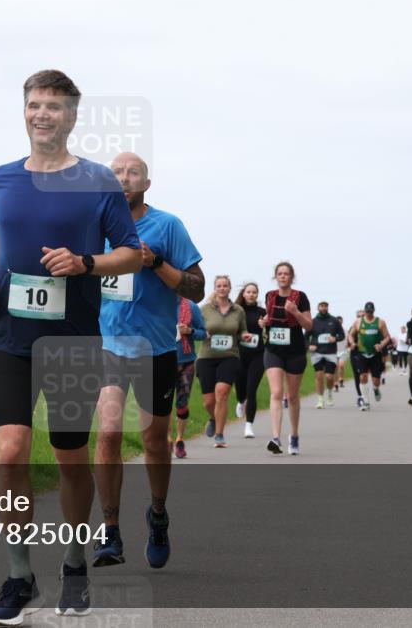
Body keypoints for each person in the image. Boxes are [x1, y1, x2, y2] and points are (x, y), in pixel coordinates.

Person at [0, 70, 143, 625]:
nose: (41, 114)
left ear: (71, 116)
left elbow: (132, 253)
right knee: (10, 450)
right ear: (23, 111)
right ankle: (19, 577)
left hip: (71, 340)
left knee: (70, 459)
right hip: (8, 335)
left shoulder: (97, 182)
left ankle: (73, 565)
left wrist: (84, 263)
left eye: (52, 106)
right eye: (33, 105)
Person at [93, 152, 205, 571]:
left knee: (155, 441)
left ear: (147, 182)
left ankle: (158, 514)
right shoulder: (96, 225)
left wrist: (155, 263)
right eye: (116, 172)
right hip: (107, 347)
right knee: (107, 434)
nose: (124, 177)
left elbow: (196, 289)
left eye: (133, 172)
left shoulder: (167, 225)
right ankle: (110, 531)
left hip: (155, 349)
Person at [258, 262, 313, 455]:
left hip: (295, 351)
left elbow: (309, 326)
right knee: (276, 392)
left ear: (291, 277)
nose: (283, 276)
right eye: (279, 274)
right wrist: (263, 322)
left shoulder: (300, 297)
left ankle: (294, 435)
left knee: (293, 396)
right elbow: (269, 320)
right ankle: (275, 438)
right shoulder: (270, 296)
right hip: (273, 350)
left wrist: (295, 312)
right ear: (275, 277)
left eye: (286, 274)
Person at [196, 275, 253, 448]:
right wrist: (200, 332)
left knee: (222, 392)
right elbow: (198, 330)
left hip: (229, 356)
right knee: (208, 401)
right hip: (206, 357)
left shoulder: (238, 310)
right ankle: (213, 418)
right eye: (219, 286)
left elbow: (242, 330)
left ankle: (220, 435)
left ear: (229, 288)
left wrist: (245, 336)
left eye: (225, 285)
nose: (222, 288)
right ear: (215, 288)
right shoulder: (204, 309)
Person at [171, 296, 207, 458]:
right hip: (162, 360)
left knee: (182, 404)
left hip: (186, 362)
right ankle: (166, 439)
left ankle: (179, 439)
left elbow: (204, 333)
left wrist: (190, 331)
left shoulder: (190, 306)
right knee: (161, 406)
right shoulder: (156, 303)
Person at [234, 282, 267, 439]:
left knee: (252, 389)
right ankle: (240, 401)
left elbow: (270, 330)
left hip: (258, 354)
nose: (252, 294)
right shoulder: (236, 310)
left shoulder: (262, 312)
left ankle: (249, 426)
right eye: (249, 292)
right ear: (244, 293)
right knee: (241, 388)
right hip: (239, 354)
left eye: (254, 292)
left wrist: (264, 325)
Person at [346, 301, 392, 411]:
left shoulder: (380, 322)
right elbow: (350, 335)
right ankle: (366, 402)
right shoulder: (358, 322)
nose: (369, 314)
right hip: (362, 353)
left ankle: (376, 389)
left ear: (373, 311)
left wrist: (381, 345)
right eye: (367, 312)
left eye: (370, 312)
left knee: (376, 380)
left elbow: (387, 337)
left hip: (375, 354)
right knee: (362, 376)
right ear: (365, 311)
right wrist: (352, 343)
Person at [307, 301, 345, 408]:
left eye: (325, 306)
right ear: (318, 308)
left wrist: (335, 338)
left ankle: (329, 393)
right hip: (317, 353)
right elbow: (305, 337)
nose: (323, 308)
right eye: (321, 306)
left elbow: (342, 335)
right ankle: (320, 400)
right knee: (319, 376)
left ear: (327, 308)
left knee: (329, 377)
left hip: (330, 353)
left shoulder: (334, 321)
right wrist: (309, 346)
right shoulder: (312, 322)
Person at [334, 315, 348, 390]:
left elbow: (349, 340)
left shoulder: (345, 331)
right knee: (335, 367)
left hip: (343, 351)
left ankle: (341, 378)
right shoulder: (332, 331)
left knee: (341, 365)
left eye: (340, 321)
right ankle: (336, 383)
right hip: (334, 351)